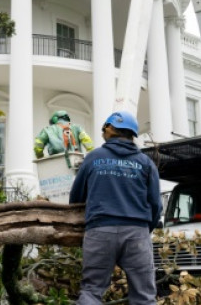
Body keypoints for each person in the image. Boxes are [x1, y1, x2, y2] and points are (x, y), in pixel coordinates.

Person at [69, 110, 162, 305]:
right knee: (144, 297)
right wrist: (144, 230)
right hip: (137, 233)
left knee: (91, 291)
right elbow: (156, 205)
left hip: (100, 231)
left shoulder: (94, 158)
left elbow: (76, 199)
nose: (102, 132)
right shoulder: (145, 163)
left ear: (110, 128)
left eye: (104, 128)